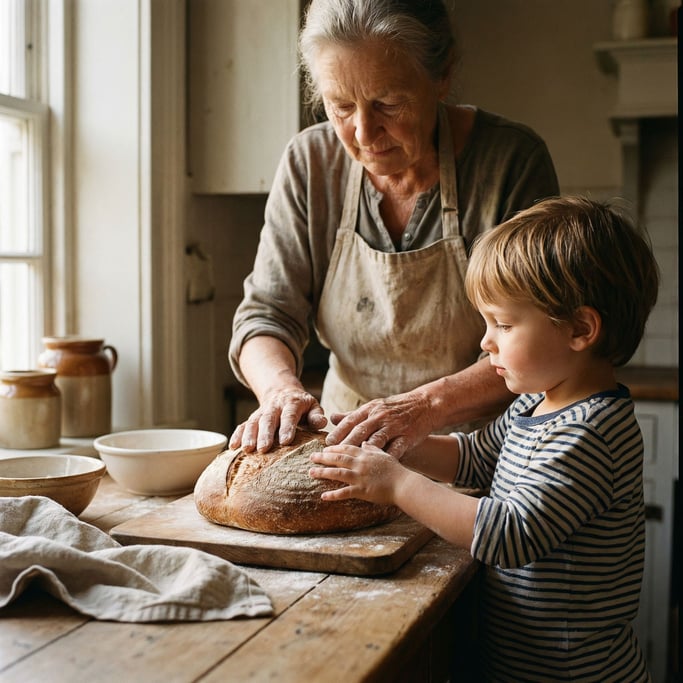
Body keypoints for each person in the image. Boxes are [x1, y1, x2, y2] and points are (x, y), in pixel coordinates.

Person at [309, 196, 659, 682]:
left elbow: (510, 534)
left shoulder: (592, 432)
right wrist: (390, 442)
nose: (485, 342)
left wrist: (396, 484)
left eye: (504, 324)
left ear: (580, 328)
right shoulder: (535, 402)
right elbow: (474, 459)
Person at [229, 0, 559, 455]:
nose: (364, 133)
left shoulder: (510, 163)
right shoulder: (310, 163)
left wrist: (422, 407)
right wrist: (280, 390)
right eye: (340, 105)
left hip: (485, 455)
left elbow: (541, 340)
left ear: (442, 75)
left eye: (387, 103)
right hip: (346, 445)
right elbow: (265, 315)